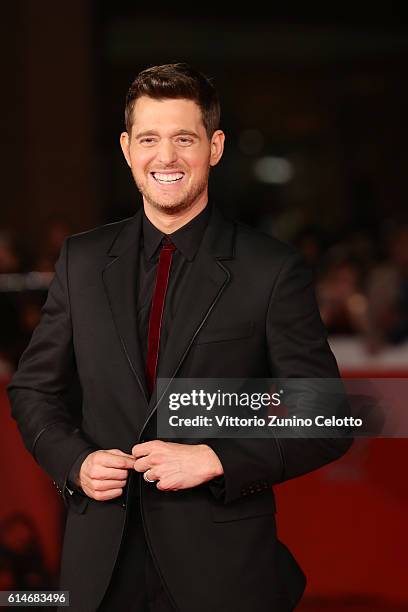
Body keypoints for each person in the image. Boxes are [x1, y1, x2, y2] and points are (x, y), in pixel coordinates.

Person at [8, 63, 352, 612]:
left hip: (224, 571)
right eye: (149, 138)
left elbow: (327, 413)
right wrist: (74, 462)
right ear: (127, 148)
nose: (165, 157)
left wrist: (217, 457)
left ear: (214, 147)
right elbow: (33, 391)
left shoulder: (271, 269)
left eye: (183, 139)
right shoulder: (82, 259)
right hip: (98, 569)